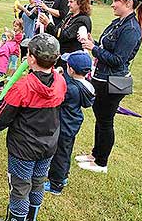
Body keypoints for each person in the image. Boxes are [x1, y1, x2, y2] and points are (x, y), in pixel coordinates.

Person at [0, 33, 66, 221]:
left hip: (23, 150)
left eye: (27, 53)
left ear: (32, 59)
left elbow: (2, 116)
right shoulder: (60, 82)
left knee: (20, 187)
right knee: (37, 182)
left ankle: (17, 218)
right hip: (48, 146)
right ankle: (31, 217)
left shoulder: (23, 87)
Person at [77, 0, 142, 173]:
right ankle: (95, 154)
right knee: (101, 119)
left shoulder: (131, 29)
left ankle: (101, 163)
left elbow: (118, 60)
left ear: (129, 3)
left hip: (116, 81)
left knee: (106, 121)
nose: (112, 5)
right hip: (103, 79)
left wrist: (94, 48)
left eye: (116, 1)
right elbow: (108, 48)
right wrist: (95, 43)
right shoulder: (119, 23)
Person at [44, 51, 95, 195]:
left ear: (71, 69)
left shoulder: (71, 88)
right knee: (65, 152)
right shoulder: (85, 85)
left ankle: (56, 185)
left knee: (60, 155)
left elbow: (54, 96)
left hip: (64, 126)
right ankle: (63, 176)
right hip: (72, 124)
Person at [39, 0, 92, 70]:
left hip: (71, 62)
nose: (68, 5)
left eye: (71, 2)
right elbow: (58, 30)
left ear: (80, 3)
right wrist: (46, 25)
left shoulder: (83, 20)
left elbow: (64, 36)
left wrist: (48, 23)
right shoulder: (69, 16)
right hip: (61, 58)